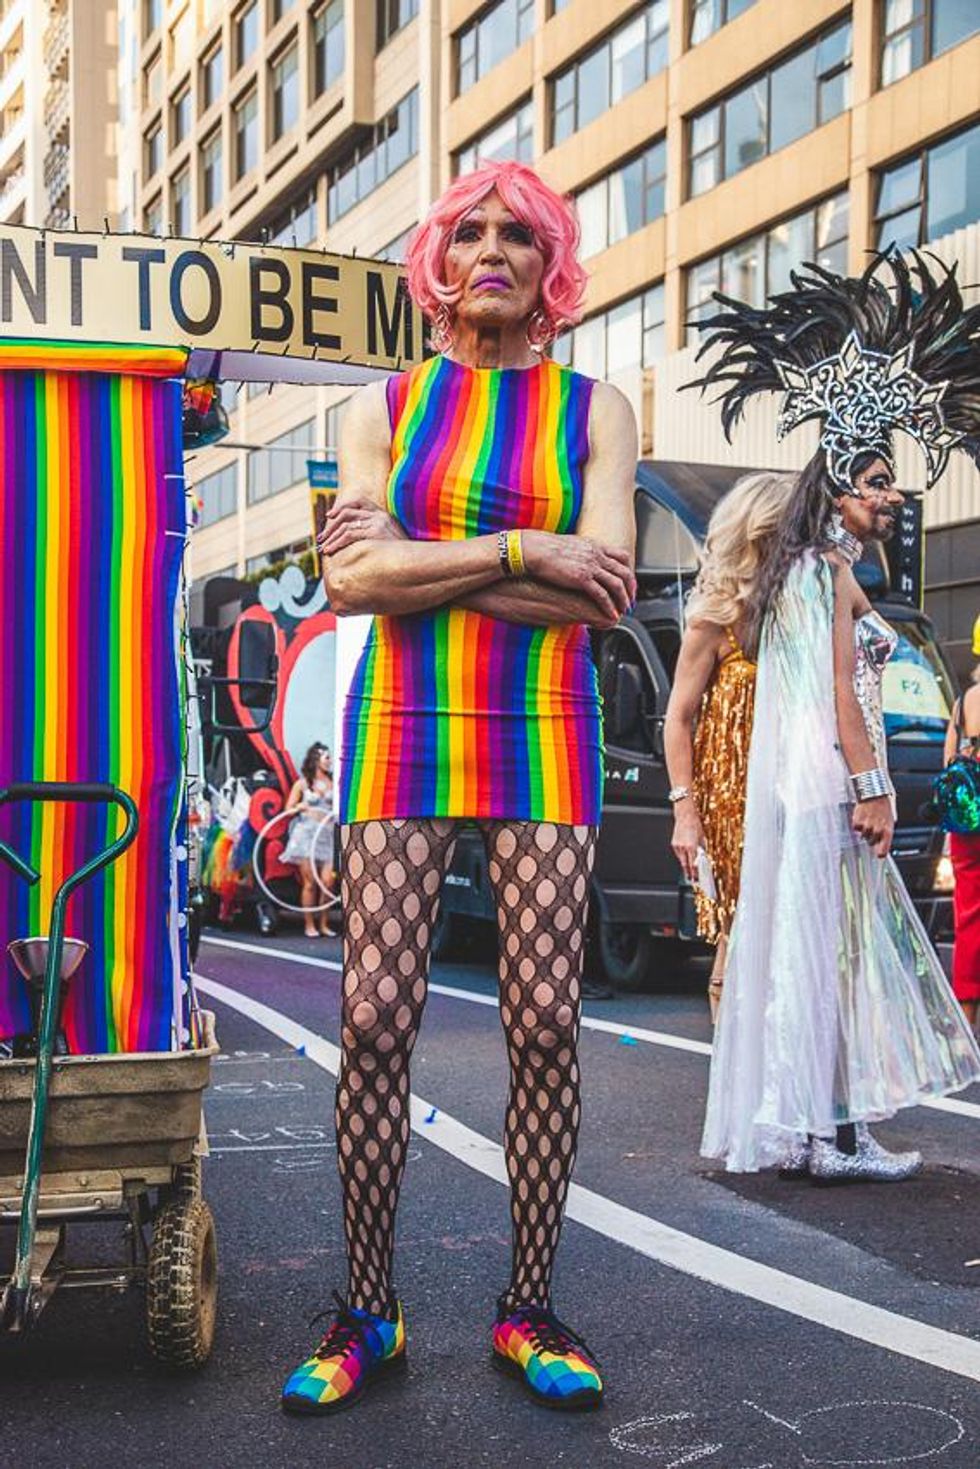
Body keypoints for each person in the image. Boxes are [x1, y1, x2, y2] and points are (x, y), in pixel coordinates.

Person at [280, 160, 637, 1417]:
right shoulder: (380, 407)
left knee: (543, 1021)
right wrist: (521, 547)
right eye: (470, 230)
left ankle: (527, 1303)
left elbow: (600, 593)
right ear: (438, 260)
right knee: (375, 1019)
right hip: (401, 729)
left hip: (544, 726)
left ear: (551, 269)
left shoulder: (595, 407)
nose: (492, 247)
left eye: (520, 235)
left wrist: (411, 561)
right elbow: (348, 591)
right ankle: (364, 1308)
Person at [688, 250, 980, 1182]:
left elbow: (843, 673)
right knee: (827, 960)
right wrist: (871, 788)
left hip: (814, 790)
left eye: (893, 481)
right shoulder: (818, 570)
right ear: (843, 487)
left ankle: (827, 1130)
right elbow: (830, 693)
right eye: (879, 480)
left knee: (830, 958)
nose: (893, 495)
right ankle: (821, 1134)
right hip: (828, 788)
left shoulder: (821, 570)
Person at [665, 471, 794, 1021]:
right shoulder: (715, 618)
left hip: (795, 789)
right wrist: (685, 812)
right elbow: (678, 719)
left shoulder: (805, 608)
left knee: (793, 936)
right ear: (763, 532)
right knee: (737, 934)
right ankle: (732, 1074)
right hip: (731, 801)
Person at [944, 638, 980, 1032]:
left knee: (969, 916)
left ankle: (966, 1021)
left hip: (967, 818)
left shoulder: (963, 701)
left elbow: (948, 761)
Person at [281, 744, 337, 938]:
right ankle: (309, 924)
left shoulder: (334, 784)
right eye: (326, 758)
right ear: (316, 760)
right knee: (310, 882)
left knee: (328, 881)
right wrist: (300, 806)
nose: (329, 761)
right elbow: (287, 810)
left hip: (327, 836)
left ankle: (324, 923)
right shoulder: (303, 784)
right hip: (306, 835)